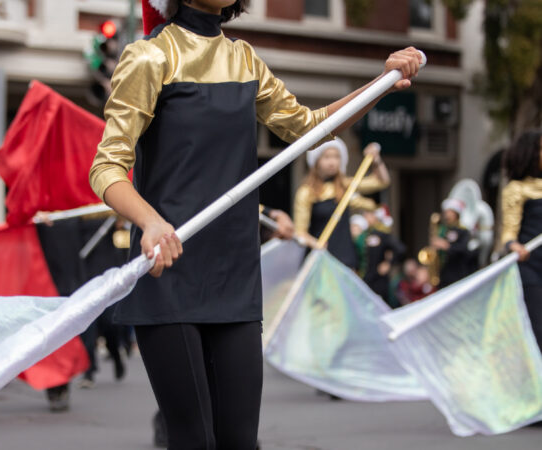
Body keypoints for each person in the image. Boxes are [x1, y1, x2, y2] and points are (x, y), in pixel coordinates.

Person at [89, 0, 422, 446]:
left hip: (235, 273)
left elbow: (308, 128)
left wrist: (380, 85)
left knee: (241, 441)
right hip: (169, 271)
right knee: (193, 440)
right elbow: (106, 168)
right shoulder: (149, 56)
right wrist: (150, 222)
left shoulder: (244, 58)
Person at [294, 139, 390, 270]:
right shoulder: (306, 192)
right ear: (317, 161)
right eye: (327, 157)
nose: (332, 162)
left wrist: (376, 160)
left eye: (336, 157)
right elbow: (300, 232)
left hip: (346, 259)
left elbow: (382, 182)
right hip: (321, 258)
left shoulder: (345, 187)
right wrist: (315, 244)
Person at [500, 130, 542, 353]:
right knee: (537, 333)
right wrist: (513, 246)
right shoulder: (517, 190)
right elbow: (508, 234)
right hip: (531, 270)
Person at [354, 208, 406, 304]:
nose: (366, 216)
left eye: (369, 214)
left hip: (378, 280)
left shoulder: (381, 234)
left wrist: (389, 263)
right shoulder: (363, 235)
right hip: (364, 279)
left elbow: (400, 249)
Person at [431, 198, 475, 288]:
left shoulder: (463, 231)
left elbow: (464, 249)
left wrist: (446, 246)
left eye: (449, 212)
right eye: (446, 212)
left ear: (456, 213)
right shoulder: (443, 230)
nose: (446, 215)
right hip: (444, 274)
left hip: (457, 273)